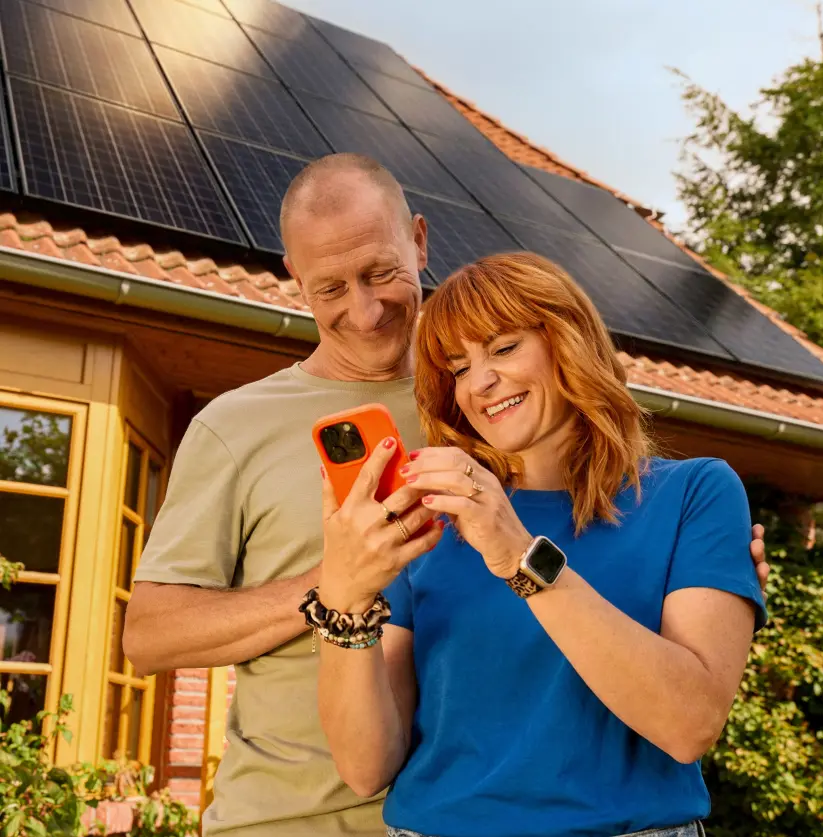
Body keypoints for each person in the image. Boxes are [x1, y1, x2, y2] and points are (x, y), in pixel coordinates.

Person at [123, 153, 769, 837]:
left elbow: (687, 699)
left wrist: (710, 574)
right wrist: (337, 585)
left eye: (379, 273)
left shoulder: (637, 486)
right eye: (330, 287)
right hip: (293, 818)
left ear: (420, 241)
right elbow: (152, 636)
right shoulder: (248, 432)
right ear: (295, 280)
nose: (364, 310)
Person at [313, 252, 769, 837]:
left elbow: (689, 724)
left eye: (503, 349)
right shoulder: (431, 520)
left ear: (569, 341)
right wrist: (345, 599)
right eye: (458, 367)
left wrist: (519, 557)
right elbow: (364, 766)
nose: (479, 383)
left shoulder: (695, 494)